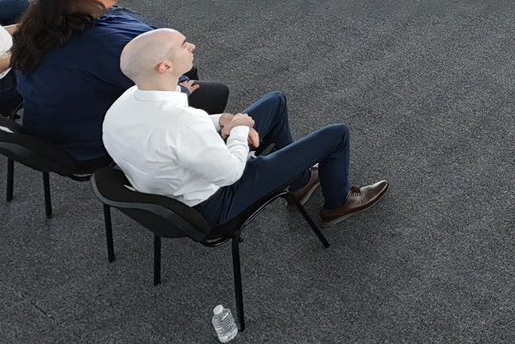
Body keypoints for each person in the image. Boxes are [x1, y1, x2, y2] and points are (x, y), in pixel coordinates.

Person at [101, 29, 387, 228]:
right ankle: (337, 203)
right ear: (165, 67)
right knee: (336, 135)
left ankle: (299, 183)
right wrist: (239, 128)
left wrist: (222, 120)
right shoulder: (180, 124)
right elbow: (230, 173)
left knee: (275, 102)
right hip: (215, 202)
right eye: (183, 45)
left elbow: (181, 131)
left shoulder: (122, 105)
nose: (191, 46)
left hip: (178, 182)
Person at [10, 0, 230, 164]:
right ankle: (195, 155)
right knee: (212, 92)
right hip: (86, 139)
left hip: (50, 123)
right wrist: (180, 89)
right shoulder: (104, 46)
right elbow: (152, 88)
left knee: (188, 74)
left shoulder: (46, 23)